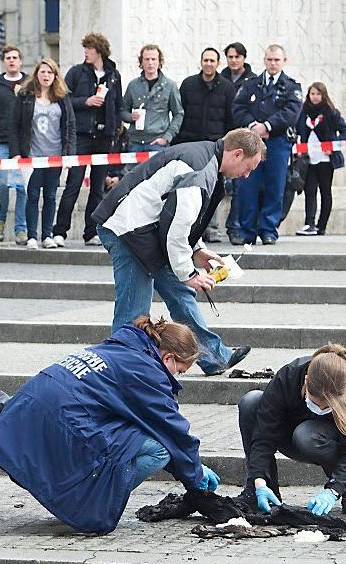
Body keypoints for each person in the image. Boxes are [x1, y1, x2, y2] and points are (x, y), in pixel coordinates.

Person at [0, 317, 220, 535]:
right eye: (180, 370)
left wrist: (191, 468)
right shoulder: (146, 370)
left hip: (25, 418)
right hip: (55, 419)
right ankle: (85, 501)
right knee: (158, 451)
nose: (176, 378)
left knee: (136, 435)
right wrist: (195, 474)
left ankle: (71, 496)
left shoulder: (123, 347)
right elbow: (172, 429)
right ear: (168, 357)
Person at [93, 128, 264, 376]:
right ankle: (122, 371)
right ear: (237, 154)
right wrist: (189, 272)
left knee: (180, 294)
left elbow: (179, 220)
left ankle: (215, 357)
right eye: (249, 167)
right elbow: (176, 228)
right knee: (135, 309)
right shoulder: (199, 169)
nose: (247, 175)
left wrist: (198, 251)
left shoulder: (206, 161)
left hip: (146, 230)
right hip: (127, 229)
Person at [238, 343, 346, 516]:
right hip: (287, 435)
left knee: (306, 435)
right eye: (316, 403)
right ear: (307, 381)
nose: (320, 409)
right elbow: (264, 434)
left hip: (320, 440)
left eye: (328, 407)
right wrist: (258, 481)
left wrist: (333, 490)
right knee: (251, 402)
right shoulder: (288, 377)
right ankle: (264, 489)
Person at [53, 32, 124, 247]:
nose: (85, 52)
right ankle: (60, 232)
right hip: (82, 137)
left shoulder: (113, 75)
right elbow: (64, 100)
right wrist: (86, 101)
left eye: (89, 48)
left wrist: (120, 125)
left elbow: (118, 104)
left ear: (99, 51)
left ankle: (91, 232)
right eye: (84, 48)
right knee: (73, 184)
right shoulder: (76, 72)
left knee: (97, 188)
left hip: (104, 137)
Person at [232, 44, 303, 245]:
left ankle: (268, 230)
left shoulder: (291, 86)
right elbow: (238, 108)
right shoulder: (251, 84)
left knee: (275, 186)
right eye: (270, 59)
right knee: (247, 186)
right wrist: (253, 125)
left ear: (284, 61)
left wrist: (268, 126)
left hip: (278, 142)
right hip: (251, 142)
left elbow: (292, 112)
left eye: (277, 60)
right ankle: (247, 231)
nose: (273, 63)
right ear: (264, 60)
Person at [8, 58, 75, 250]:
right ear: (37, 74)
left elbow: (70, 126)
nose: (46, 75)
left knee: (51, 196)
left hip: (55, 156)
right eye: (43, 72)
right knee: (32, 195)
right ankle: (31, 236)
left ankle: (47, 235)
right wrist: (16, 153)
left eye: (50, 72)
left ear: (55, 76)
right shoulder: (26, 96)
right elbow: (14, 125)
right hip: (32, 156)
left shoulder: (62, 97)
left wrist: (69, 154)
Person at [174, 48, 237, 243]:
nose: (208, 64)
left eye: (212, 60)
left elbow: (231, 119)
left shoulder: (227, 88)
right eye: (205, 60)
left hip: (216, 147)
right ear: (201, 62)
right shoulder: (188, 84)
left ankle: (212, 228)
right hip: (191, 144)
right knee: (190, 187)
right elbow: (181, 113)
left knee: (214, 187)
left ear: (218, 63)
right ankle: (192, 228)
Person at [0, 45, 29, 244]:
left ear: (20, 61)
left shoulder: (30, 84)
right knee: (0, 184)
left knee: (23, 188)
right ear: (4, 62)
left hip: (25, 144)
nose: (12, 60)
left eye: (15, 57)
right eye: (8, 58)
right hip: (1, 142)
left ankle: (21, 229)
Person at [295, 82, 346, 236]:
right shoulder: (303, 112)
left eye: (318, 94)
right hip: (309, 158)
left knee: (325, 191)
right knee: (309, 190)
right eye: (312, 94)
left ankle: (322, 226)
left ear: (323, 95)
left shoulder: (331, 112)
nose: (315, 97)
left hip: (326, 159)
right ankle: (309, 224)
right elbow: (297, 131)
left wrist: (333, 146)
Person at [220, 42, 257, 245]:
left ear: (243, 58)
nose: (233, 60)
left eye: (237, 56)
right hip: (224, 137)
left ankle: (235, 227)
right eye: (230, 57)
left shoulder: (253, 81)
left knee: (240, 186)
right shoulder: (221, 79)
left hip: (243, 138)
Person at [121, 44, 184, 155]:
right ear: (141, 62)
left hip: (158, 143)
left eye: (153, 59)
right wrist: (130, 117)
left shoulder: (170, 86)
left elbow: (178, 114)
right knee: (134, 172)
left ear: (159, 62)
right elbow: (122, 110)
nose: (150, 63)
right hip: (135, 143)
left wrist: (167, 137)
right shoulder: (133, 85)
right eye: (147, 59)